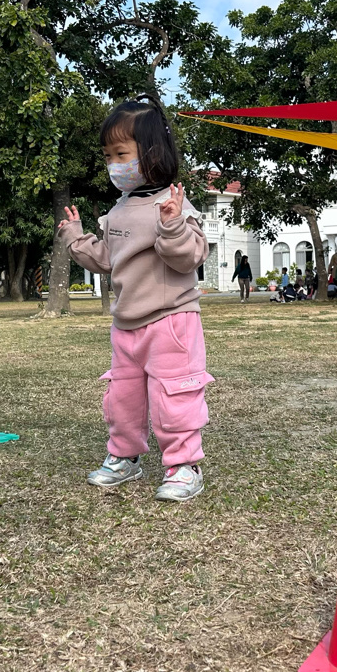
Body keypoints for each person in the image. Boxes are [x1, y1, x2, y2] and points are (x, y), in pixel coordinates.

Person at [58, 94, 211, 502]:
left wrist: (172, 226)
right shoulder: (119, 210)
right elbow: (108, 259)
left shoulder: (175, 204)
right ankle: (124, 456)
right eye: (108, 156)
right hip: (126, 324)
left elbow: (190, 257)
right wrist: (75, 238)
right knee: (122, 397)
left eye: (121, 154)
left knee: (174, 396)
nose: (113, 165)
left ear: (152, 153)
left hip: (171, 321)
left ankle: (184, 465)